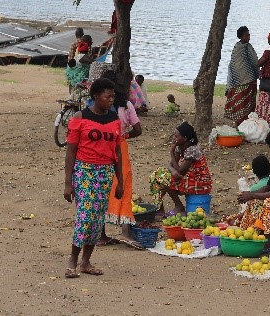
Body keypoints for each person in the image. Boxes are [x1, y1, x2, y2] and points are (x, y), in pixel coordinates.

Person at [63, 78, 123, 278]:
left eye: (113, 96)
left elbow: (117, 152)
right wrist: (68, 183)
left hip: (105, 173)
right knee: (85, 216)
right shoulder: (80, 118)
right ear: (96, 96)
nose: (111, 100)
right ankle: (73, 259)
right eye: (108, 96)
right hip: (84, 170)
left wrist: (120, 181)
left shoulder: (115, 120)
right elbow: (70, 151)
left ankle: (86, 262)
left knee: (97, 219)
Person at [102, 87, 143, 249]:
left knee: (104, 186)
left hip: (103, 149)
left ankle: (101, 234)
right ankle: (125, 232)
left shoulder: (100, 107)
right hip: (121, 147)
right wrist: (125, 136)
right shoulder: (126, 106)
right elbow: (138, 130)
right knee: (124, 186)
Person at [148, 122, 212, 215]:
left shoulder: (193, 149)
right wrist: (172, 169)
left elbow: (179, 172)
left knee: (164, 178)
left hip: (199, 182)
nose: (174, 138)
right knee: (156, 175)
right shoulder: (180, 147)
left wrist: (171, 152)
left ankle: (179, 206)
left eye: (176, 136)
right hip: (188, 177)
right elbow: (172, 166)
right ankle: (159, 208)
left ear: (185, 138)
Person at [225, 26, 259, 127]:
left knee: (249, 103)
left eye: (249, 35)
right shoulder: (237, 48)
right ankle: (239, 122)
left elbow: (254, 62)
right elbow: (233, 65)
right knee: (239, 102)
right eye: (246, 35)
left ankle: (247, 122)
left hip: (250, 79)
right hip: (238, 81)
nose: (248, 37)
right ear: (240, 36)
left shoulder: (249, 47)